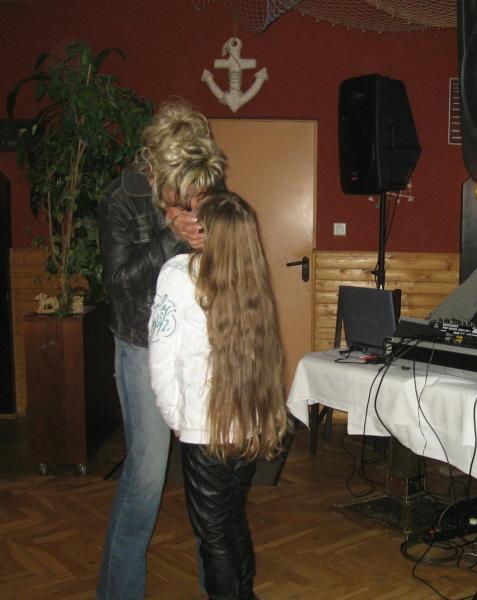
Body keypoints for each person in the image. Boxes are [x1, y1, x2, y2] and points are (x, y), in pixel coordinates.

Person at [96, 100, 226, 599]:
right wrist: (170, 237)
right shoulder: (121, 198)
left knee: (209, 480)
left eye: (200, 191)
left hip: (201, 344)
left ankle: (218, 589)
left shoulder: (203, 184)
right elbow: (119, 284)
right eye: (184, 192)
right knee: (146, 480)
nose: (194, 200)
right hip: (141, 347)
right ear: (157, 169)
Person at [149, 191, 288, 600]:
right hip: (248, 423)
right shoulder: (251, 276)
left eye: (199, 220)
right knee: (230, 520)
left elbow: (160, 363)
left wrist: (177, 419)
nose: (190, 223)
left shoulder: (178, 272)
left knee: (214, 533)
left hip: (205, 428)